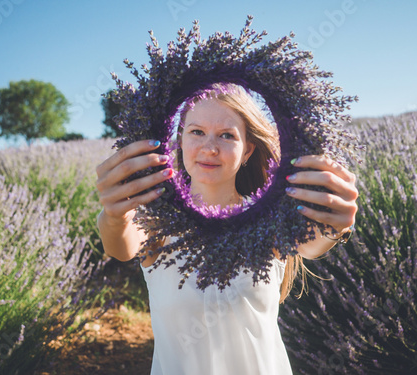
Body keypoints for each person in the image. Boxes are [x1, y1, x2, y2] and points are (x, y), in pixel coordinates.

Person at [95, 83, 358, 374]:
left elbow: (311, 245)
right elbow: (118, 245)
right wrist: (113, 215)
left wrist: (335, 224)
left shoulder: (268, 218)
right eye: (196, 132)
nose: (209, 148)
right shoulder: (158, 220)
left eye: (227, 135)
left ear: (247, 151)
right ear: (179, 141)